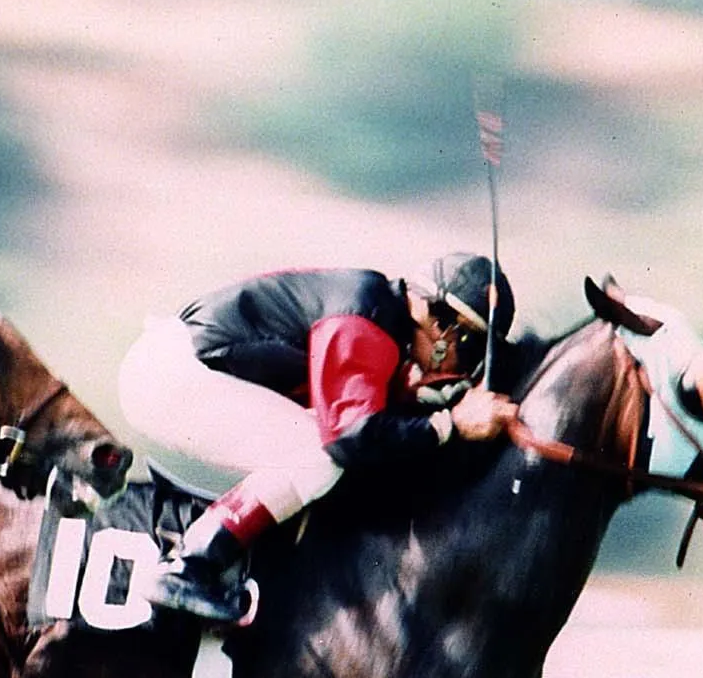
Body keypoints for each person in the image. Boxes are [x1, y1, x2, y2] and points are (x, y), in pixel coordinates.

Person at [116, 254, 521, 623]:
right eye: (471, 349)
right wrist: (450, 424)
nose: (468, 368)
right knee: (319, 455)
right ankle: (187, 568)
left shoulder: (382, 313)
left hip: (180, 364)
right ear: (442, 325)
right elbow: (350, 438)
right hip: (169, 376)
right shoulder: (366, 319)